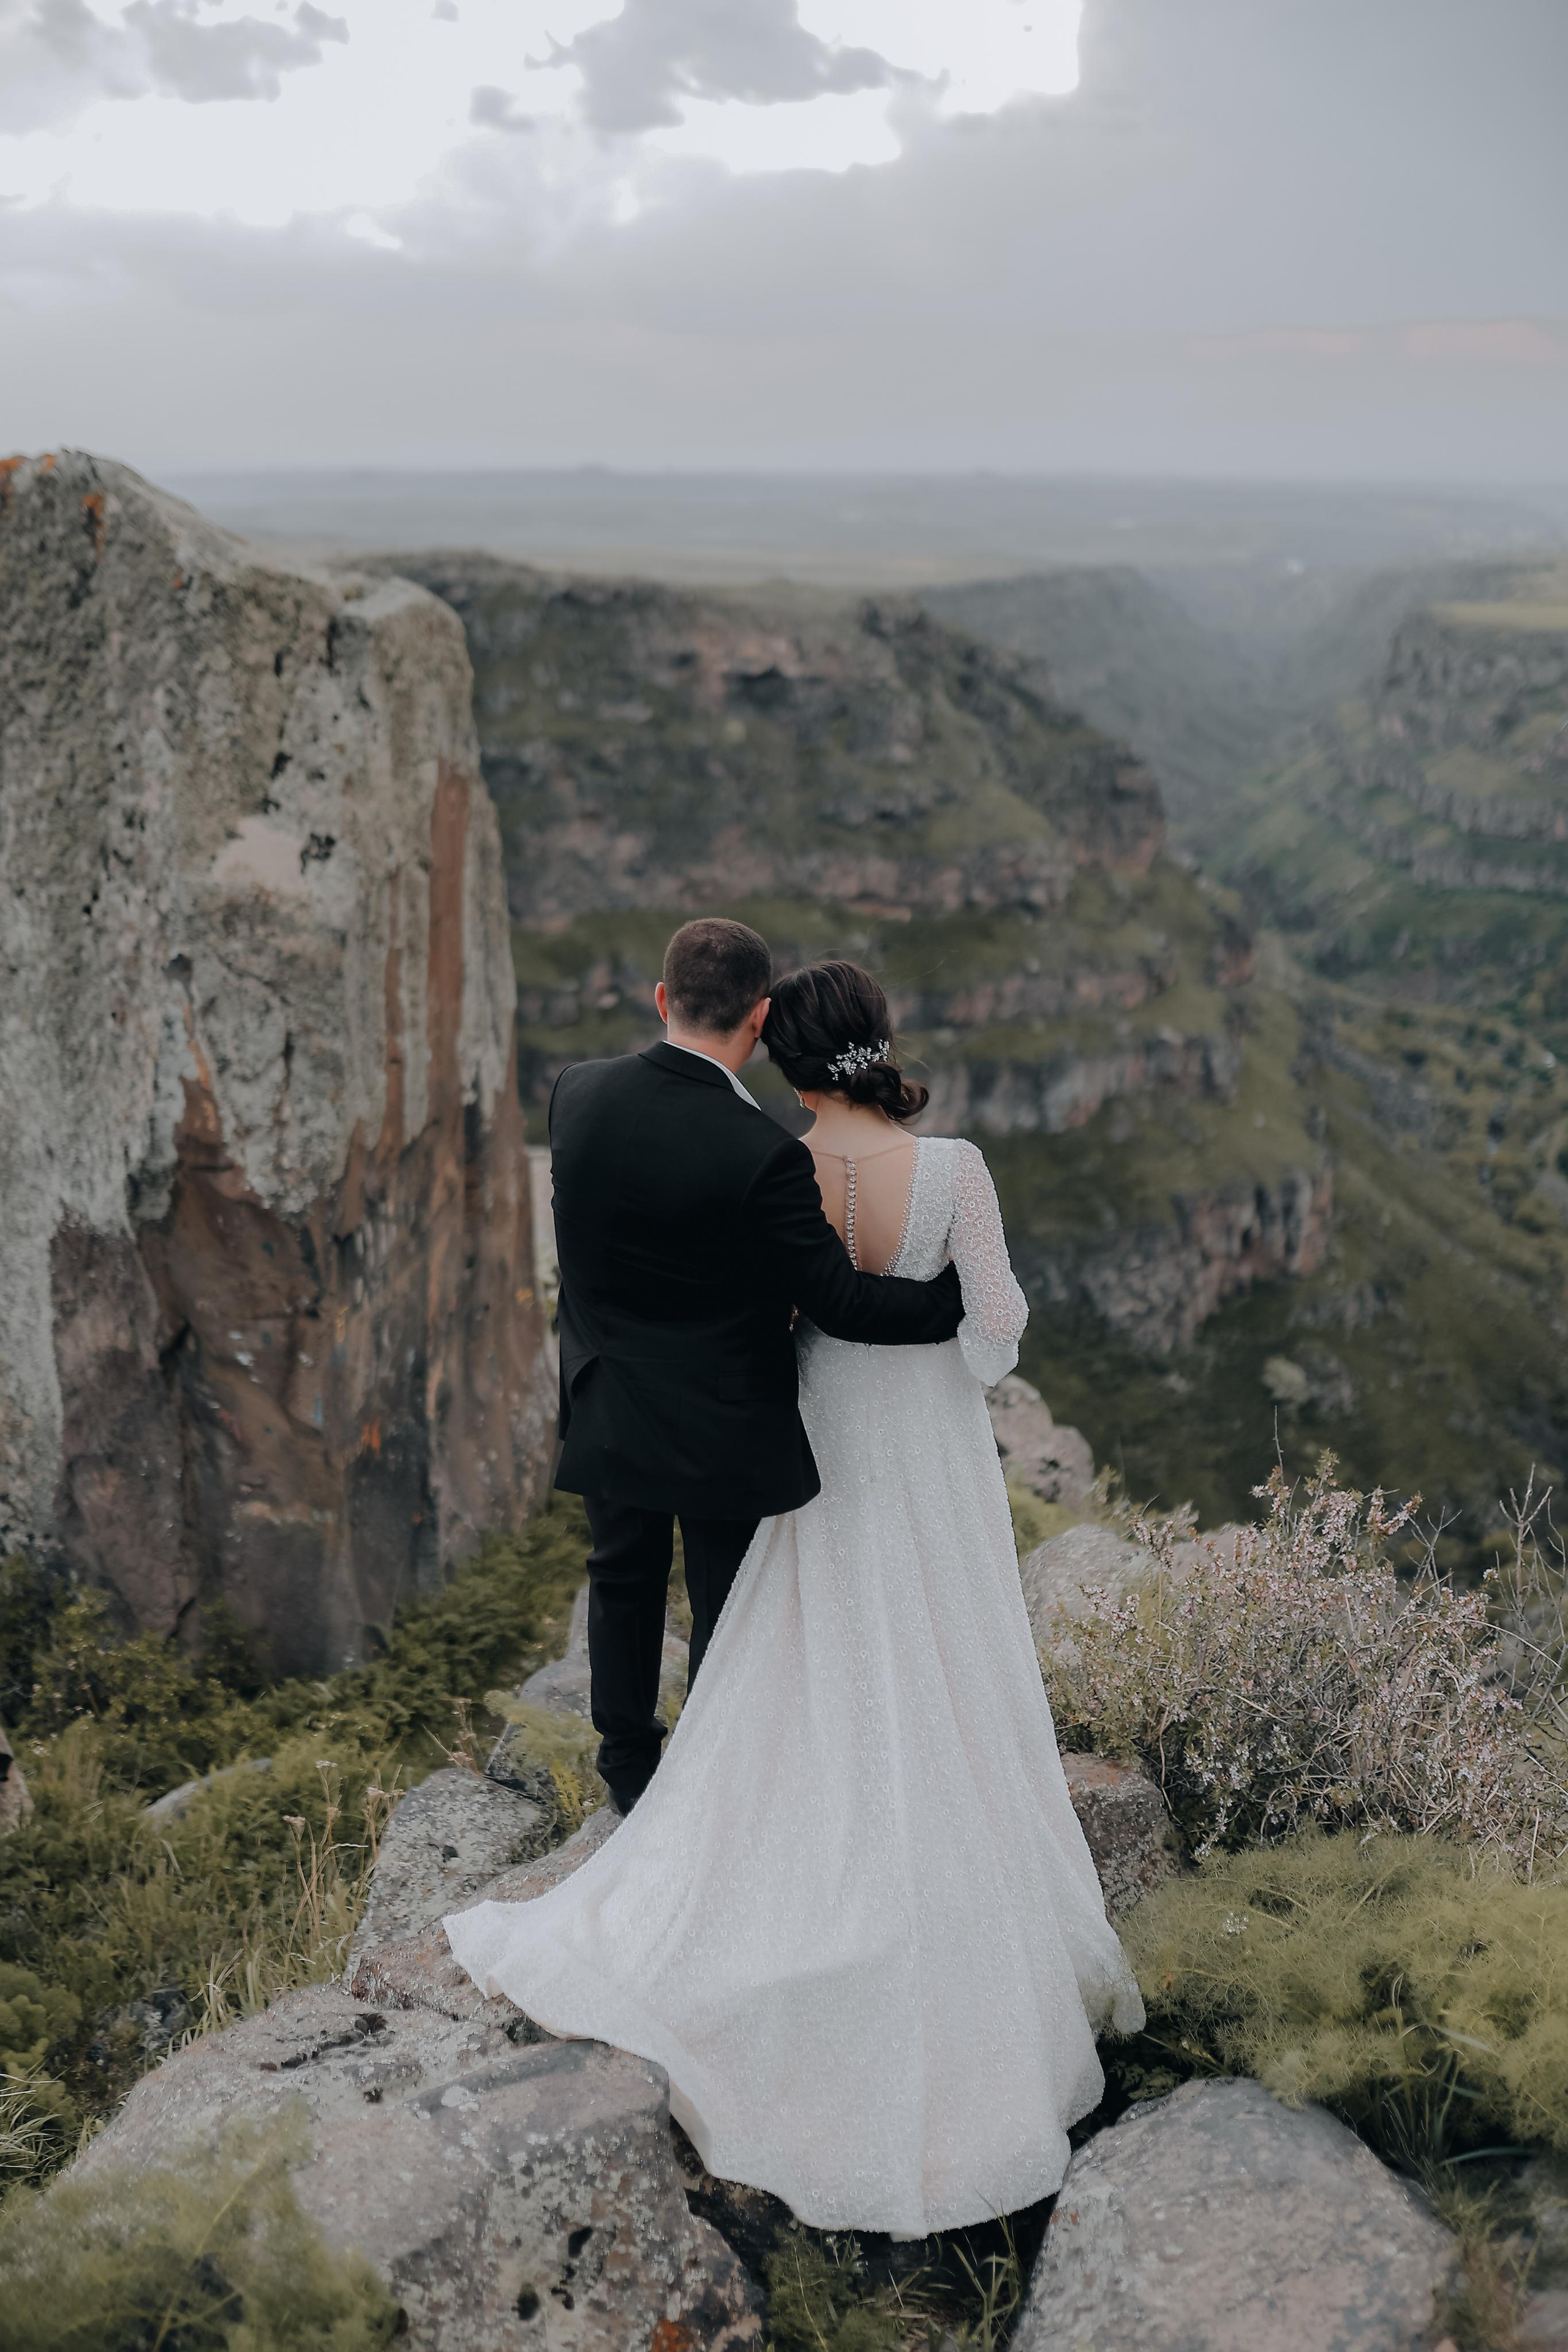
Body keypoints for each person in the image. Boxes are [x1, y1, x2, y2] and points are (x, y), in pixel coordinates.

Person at [445, 948, 1142, 2237]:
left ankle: (681, 1801)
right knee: (938, 1653)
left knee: (788, 1654)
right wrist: (945, 1312)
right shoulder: (951, 1173)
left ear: (773, 1044)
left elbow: (775, 1306)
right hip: (921, 1454)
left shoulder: (758, 1154)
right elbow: (992, 1338)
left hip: (790, 1430)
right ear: (865, 1038)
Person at [543, 917, 967, 1815]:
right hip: (719, 1422)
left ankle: (626, 1772)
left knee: (619, 1576)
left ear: (663, 999)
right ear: (760, 1018)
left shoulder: (575, 1093)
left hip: (606, 1396)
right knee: (720, 1602)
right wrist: (949, 1301)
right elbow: (840, 1302)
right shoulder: (763, 1154)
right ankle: (707, 1784)